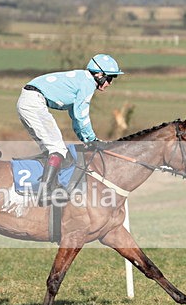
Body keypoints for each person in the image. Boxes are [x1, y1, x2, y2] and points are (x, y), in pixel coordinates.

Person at [16, 53, 123, 205]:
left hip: (29, 101)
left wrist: (85, 140)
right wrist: (92, 139)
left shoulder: (83, 79)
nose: (110, 83)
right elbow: (82, 115)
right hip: (34, 102)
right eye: (110, 78)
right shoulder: (88, 83)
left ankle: (47, 185)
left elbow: (75, 116)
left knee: (52, 150)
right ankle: (44, 193)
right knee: (57, 149)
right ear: (99, 75)